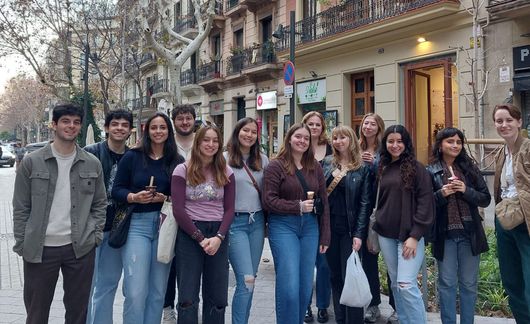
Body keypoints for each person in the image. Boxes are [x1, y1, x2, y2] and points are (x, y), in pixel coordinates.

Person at [12, 103, 107, 324]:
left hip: (80, 248)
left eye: (75, 122)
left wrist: (95, 236)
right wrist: (22, 243)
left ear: (81, 127)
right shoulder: (31, 162)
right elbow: (20, 207)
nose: (71, 126)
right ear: (54, 124)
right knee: (36, 313)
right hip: (40, 249)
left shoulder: (92, 163)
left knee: (78, 312)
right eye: (65, 121)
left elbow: (100, 203)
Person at [112, 112, 183, 324]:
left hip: (165, 227)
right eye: (154, 127)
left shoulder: (176, 161)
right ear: (147, 131)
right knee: (135, 291)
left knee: (158, 292)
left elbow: (183, 196)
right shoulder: (132, 157)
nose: (158, 131)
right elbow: (116, 190)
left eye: (163, 127)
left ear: (169, 132)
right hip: (137, 226)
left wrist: (166, 197)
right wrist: (133, 197)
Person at [262, 122, 330, 324]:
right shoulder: (276, 166)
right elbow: (268, 200)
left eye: (306, 138)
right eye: (298, 137)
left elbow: (324, 202)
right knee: (290, 286)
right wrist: (297, 206)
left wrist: (325, 234)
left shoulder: (315, 166)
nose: (302, 141)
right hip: (283, 226)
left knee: (305, 286)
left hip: (310, 227)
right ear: (289, 138)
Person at [172, 124, 235, 324]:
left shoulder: (226, 171)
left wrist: (218, 237)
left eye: (215, 140)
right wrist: (199, 238)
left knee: (217, 295)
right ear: (198, 142)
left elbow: (229, 209)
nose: (211, 144)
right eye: (206, 140)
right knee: (187, 295)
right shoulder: (182, 169)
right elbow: (178, 210)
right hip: (190, 233)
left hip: (218, 233)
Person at [426, 127, 490, 324]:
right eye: (450, 141)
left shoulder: (469, 169)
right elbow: (425, 204)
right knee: (446, 283)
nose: (454, 145)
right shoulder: (431, 170)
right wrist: (441, 194)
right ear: (440, 145)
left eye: (458, 142)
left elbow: (486, 199)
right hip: (445, 236)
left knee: (469, 284)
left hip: (470, 234)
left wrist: (465, 190)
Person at [372, 125, 434, 324]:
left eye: (399, 141)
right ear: (385, 143)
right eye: (391, 141)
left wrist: (415, 235)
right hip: (386, 234)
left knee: (406, 284)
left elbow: (425, 203)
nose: (395, 145)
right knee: (396, 284)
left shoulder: (418, 169)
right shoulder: (382, 166)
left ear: (406, 144)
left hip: (409, 236)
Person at [85, 109, 133, 324]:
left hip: (117, 231)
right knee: (86, 284)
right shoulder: (90, 153)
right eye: (115, 124)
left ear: (130, 130)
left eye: (124, 125)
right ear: (106, 128)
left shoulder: (134, 157)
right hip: (90, 228)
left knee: (108, 283)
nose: (120, 128)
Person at [321, 125, 371, 324]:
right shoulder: (326, 164)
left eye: (343, 137)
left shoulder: (362, 168)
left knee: (351, 277)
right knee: (335, 276)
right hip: (330, 228)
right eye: (335, 138)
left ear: (351, 139)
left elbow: (365, 204)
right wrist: (328, 178)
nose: (339, 141)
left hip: (350, 229)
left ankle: (355, 320)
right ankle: (340, 319)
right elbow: (319, 195)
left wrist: (359, 233)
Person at [224, 117, 269, 324]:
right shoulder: (223, 159)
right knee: (246, 280)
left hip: (257, 222)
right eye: (245, 130)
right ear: (237, 132)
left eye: (253, 131)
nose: (249, 135)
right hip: (235, 224)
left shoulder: (263, 159)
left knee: (252, 279)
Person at [492, 104, 530, 323]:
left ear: (519, 122)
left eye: (508, 120)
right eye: (499, 121)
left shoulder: (527, 147)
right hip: (505, 219)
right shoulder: (501, 151)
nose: (504, 125)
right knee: (511, 280)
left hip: (525, 220)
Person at [358, 113, 397, 324]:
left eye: (373, 124)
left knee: (392, 262)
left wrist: (374, 163)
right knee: (369, 261)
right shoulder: (355, 147)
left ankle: (395, 306)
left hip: (385, 209)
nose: (369, 127)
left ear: (379, 127)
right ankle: (373, 305)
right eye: (366, 123)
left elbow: (391, 175)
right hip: (364, 212)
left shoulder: (387, 149)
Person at [163, 104, 197, 323]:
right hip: (170, 208)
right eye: (180, 118)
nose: (185, 122)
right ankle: (167, 309)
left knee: (192, 263)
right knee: (169, 259)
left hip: (197, 210)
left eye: (188, 118)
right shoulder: (167, 144)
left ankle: (189, 305)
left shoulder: (203, 142)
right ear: (174, 121)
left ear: (194, 120)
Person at [301, 111, 332, 323]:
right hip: (301, 211)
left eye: (317, 124)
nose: (314, 128)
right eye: (310, 124)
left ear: (323, 127)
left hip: (324, 210)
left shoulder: (330, 148)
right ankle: (304, 307)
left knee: (323, 263)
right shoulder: (298, 145)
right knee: (304, 263)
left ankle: (322, 306)